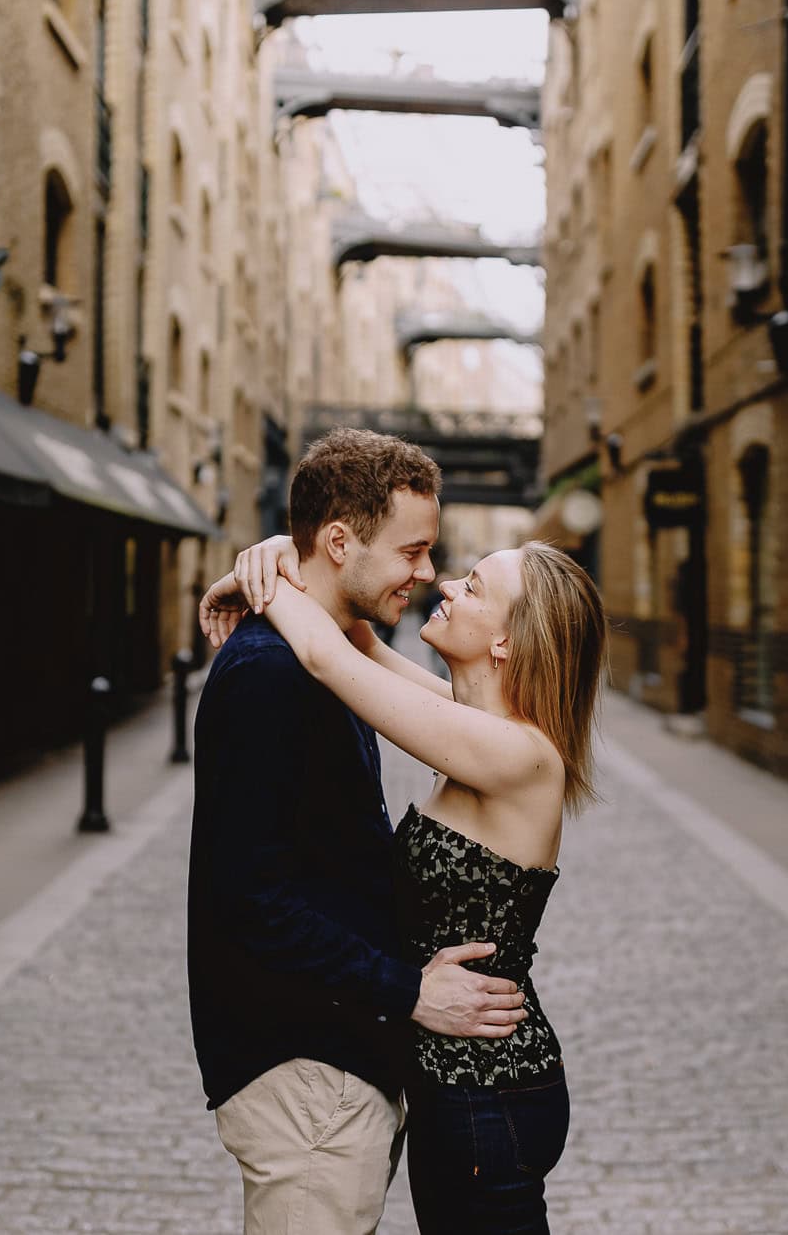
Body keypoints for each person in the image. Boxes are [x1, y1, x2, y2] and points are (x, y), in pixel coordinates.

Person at [201, 522, 608, 1235]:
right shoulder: (473, 722)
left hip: (493, 1093)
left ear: (507, 641)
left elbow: (330, 659)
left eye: (473, 586)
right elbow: (357, 639)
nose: (445, 584)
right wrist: (275, 553)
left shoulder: (517, 753)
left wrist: (268, 577)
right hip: (456, 1087)